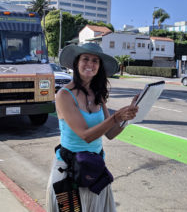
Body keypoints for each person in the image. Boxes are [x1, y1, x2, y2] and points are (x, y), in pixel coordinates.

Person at [46, 42, 138, 212]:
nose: (90, 64)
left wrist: (127, 118)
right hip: (69, 171)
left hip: (94, 169)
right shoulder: (64, 95)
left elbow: (110, 133)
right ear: (76, 63)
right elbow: (86, 135)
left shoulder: (98, 95)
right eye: (85, 59)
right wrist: (116, 116)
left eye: (95, 61)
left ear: (99, 67)